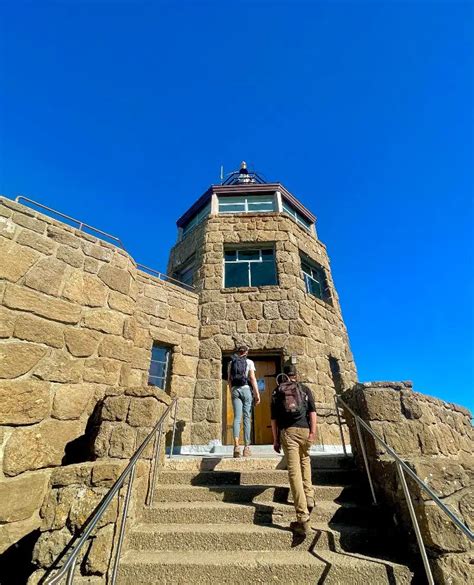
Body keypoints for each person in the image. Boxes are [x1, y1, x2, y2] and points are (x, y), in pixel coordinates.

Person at [271, 365, 317, 536]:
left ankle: (302, 517)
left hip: (288, 432)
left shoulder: (277, 391)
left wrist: (275, 440)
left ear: (283, 375)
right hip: (305, 431)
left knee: (294, 472)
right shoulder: (305, 389)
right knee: (305, 461)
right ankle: (309, 497)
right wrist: (313, 432)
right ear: (296, 375)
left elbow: (274, 419)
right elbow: (312, 412)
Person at [228, 344, 261, 458]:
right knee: (247, 418)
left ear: (238, 352)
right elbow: (252, 378)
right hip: (246, 390)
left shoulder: (231, 363)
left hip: (235, 390)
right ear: (246, 352)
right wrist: (257, 394)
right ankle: (246, 448)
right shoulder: (249, 362)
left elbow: (229, 380)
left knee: (237, 418)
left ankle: (236, 446)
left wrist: (231, 391)